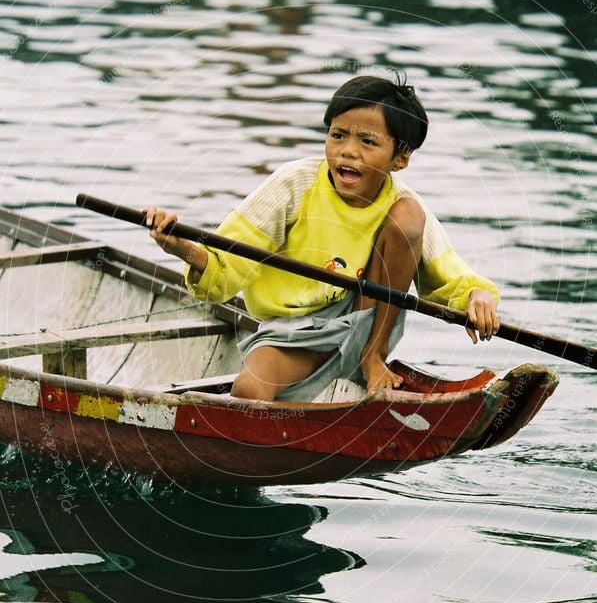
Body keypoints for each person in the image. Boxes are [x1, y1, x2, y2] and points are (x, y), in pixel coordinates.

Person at [145, 74, 500, 402]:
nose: (348, 150)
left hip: (367, 327)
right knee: (250, 390)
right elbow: (230, 261)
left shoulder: (402, 202)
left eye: (367, 141)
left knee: (409, 216)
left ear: (401, 158)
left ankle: (372, 360)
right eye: (338, 134)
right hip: (294, 334)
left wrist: (477, 295)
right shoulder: (294, 183)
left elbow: (449, 276)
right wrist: (182, 249)